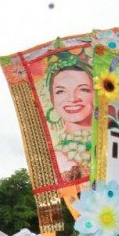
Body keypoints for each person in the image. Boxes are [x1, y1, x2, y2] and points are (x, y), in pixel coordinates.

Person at [45, 52, 93, 180]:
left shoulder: (116, 142)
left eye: (83, 89)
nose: (72, 99)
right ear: (52, 99)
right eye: (61, 91)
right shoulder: (52, 160)